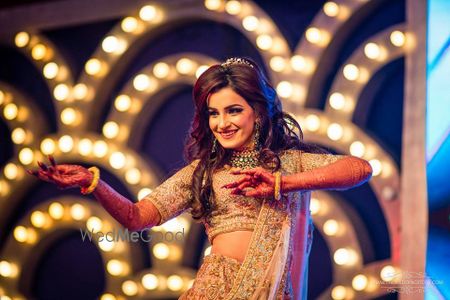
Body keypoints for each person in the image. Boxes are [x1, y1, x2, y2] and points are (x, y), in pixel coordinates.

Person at [28, 57, 372, 299]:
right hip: (216, 290)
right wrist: (94, 183)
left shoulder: (291, 164)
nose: (222, 123)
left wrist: (281, 184)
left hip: (276, 291)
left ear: (260, 110)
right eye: (213, 113)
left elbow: (359, 169)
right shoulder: (203, 173)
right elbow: (136, 217)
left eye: (234, 110)